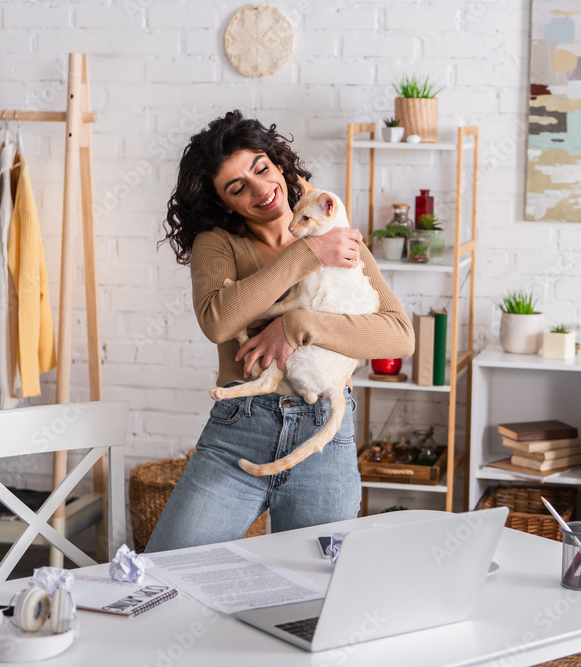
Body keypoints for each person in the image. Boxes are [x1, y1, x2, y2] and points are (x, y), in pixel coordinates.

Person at [145, 111, 414, 552]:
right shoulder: (217, 243)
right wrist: (308, 252)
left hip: (323, 434)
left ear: (278, 163)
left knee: (318, 592)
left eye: (261, 168)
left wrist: (296, 324)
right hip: (240, 429)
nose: (260, 189)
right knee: (166, 573)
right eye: (237, 188)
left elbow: (399, 335)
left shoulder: (339, 233)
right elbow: (217, 321)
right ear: (224, 203)